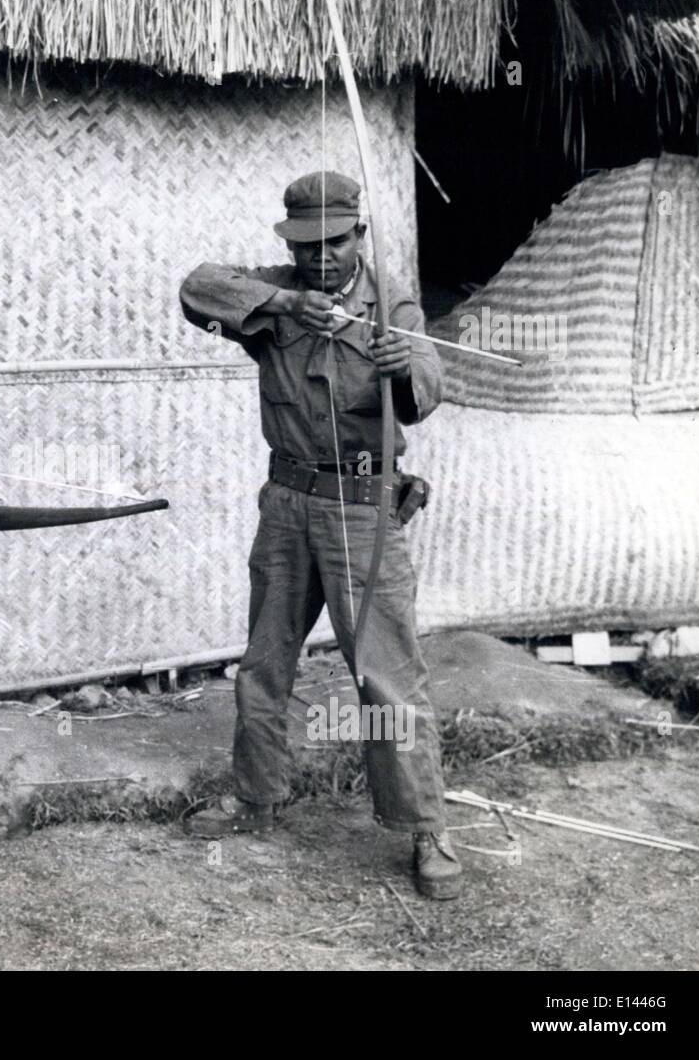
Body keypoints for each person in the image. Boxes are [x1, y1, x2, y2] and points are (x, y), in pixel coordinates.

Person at [177, 170, 463, 900]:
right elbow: (196, 288)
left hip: (362, 510)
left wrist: (400, 363)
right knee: (263, 662)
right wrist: (283, 302)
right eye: (308, 245)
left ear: (359, 236)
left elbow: (426, 387)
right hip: (287, 504)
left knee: (387, 674)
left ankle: (426, 826)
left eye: (336, 242)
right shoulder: (276, 297)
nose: (323, 258)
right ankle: (256, 797)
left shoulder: (390, 301)